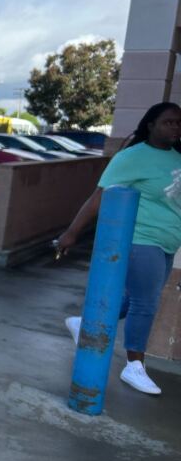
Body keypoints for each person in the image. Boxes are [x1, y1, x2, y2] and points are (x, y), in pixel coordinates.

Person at [57, 101, 181, 395]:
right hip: (141, 238)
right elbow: (99, 196)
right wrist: (71, 233)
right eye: (169, 122)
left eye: (179, 123)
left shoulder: (178, 157)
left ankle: (83, 321)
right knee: (145, 303)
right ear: (150, 125)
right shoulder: (132, 157)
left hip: (167, 242)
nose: (175, 127)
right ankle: (134, 365)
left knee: (139, 298)